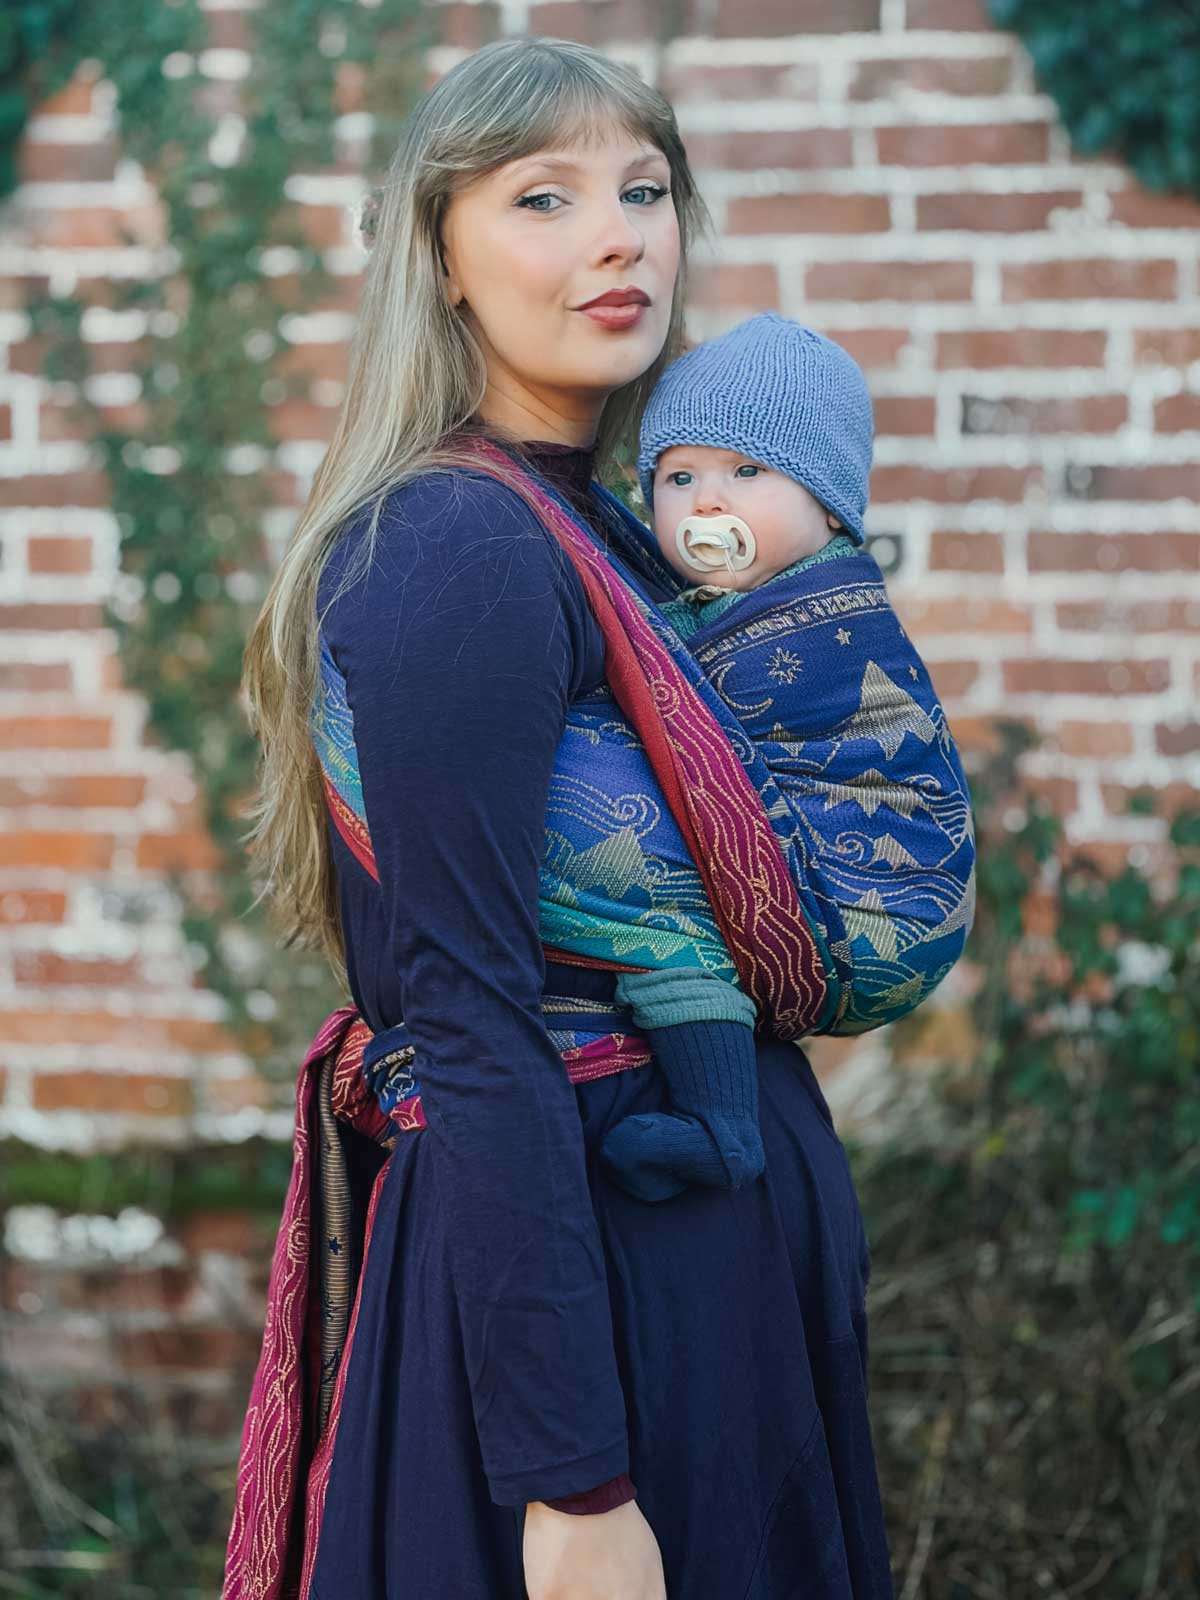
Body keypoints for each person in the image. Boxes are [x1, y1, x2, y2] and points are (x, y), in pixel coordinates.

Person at [225, 34, 896, 1600]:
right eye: (545, 196)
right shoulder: (456, 545)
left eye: (646, 189)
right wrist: (572, 1485)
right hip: (584, 1293)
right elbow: (470, 1017)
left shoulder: (616, 525)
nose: (621, 236)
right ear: (441, 260)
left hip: (685, 1252)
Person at [582, 312, 977, 1202]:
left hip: (876, 900)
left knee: (653, 883)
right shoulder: (742, 595)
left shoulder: (820, 617)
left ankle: (721, 1126)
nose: (708, 504)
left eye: (747, 473)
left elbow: (691, 720)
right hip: (857, 904)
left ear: (828, 503)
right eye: (679, 477)